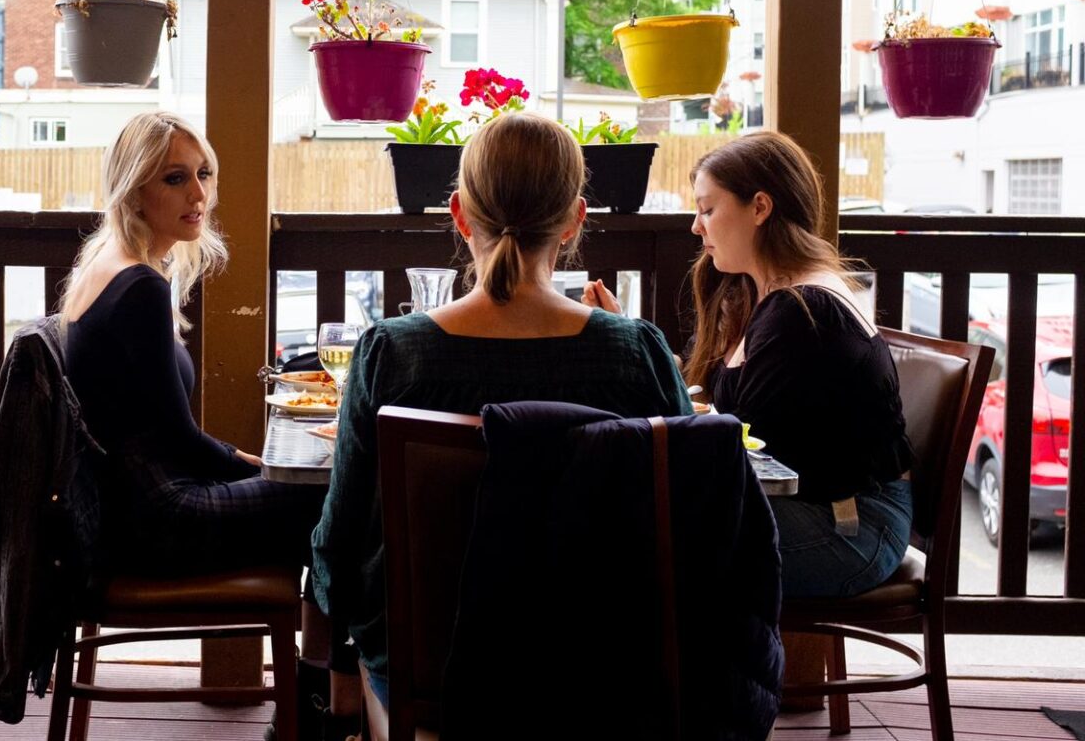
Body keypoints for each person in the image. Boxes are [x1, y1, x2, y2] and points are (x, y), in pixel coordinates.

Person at [310, 111, 691, 713]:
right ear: (574, 220)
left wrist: (343, 633)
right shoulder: (636, 353)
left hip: (431, 675)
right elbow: (691, 518)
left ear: (460, 215)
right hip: (604, 673)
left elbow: (340, 542)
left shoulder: (393, 353)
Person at [58, 112, 344, 741]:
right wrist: (266, 468)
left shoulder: (105, 264)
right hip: (156, 522)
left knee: (321, 501)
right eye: (175, 179)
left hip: (123, 513)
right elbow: (180, 439)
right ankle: (322, 702)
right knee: (339, 498)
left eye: (204, 174)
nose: (198, 195)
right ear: (134, 189)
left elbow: (166, 432)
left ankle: (313, 699)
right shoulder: (137, 287)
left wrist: (258, 470)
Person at [682, 130, 914, 599]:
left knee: (651, 543)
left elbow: (748, 448)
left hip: (851, 526)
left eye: (707, 210)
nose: (695, 227)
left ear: (760, 208)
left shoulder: (804, 312)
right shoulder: (765, 295)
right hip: (823, 508)